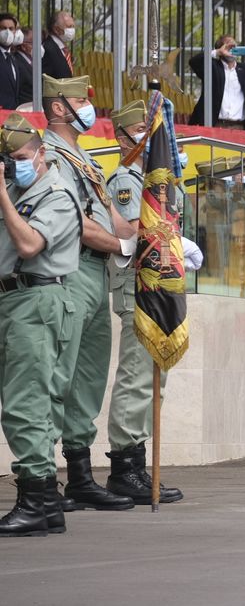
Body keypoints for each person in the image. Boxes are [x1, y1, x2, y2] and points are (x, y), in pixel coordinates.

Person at [41, 75, 136, 511]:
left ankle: (79, 474)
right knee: (56, 375)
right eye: (80, 100)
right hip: (72, 270)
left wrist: (151, 235)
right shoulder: (52, 156)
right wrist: (125, 245)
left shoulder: (86, 160)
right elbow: (79, 223)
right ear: (58, 107)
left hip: (98, 275)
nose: (87, 107)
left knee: (89, 377)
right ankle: (40, 478)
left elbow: (114, 218)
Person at [0, 115, 82, 535]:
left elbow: (30, 244)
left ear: (41, 152)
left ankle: (34, 501)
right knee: (31, 403)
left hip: (39, 297)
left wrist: (2, 194)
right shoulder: (17, 190)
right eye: (8, 159)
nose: (15, 166)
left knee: (25, 404)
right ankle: (47, 503)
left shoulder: (58, 194)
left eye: (20, 157)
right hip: (15, 298)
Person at [102, 100, 184, 504]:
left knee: (156, 376)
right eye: (141, 132)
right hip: (137, 285)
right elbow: (136, 229)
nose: (149, 141)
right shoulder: (127, 180)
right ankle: (124, 466)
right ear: (122, 137)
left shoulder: (155, 180)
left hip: (157, 287)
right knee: (137, 376)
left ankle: (139, 464)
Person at [187, 33, 245, 130]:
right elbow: (194, 62)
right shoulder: (212, 68)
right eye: (228, 45)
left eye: (234, 45)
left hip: (239, 127)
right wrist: (216, 52)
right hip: (215, 125)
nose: (232, 48)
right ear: (221, 48)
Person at [0, 13, 33, 109]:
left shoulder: (12, 58)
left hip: (13, 116)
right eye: (3, 28)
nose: (7, 32)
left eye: (11, 29)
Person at [40, 10, 74, 80]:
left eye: (73, 26)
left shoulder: (64, 50)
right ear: (56, 29)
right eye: (69, 27)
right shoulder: (47, 49)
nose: (72, 30)